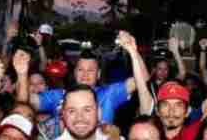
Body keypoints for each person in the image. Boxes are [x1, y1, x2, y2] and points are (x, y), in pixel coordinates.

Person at [21, 39, 152, 125]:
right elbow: (24, 101)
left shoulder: (110, 94)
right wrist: (21, 74)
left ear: (99, 74)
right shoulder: (58, 96)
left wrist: (133, 51)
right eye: (81, 70)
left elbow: (143, 79)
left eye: (90, 70)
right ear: (74, 72)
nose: (85, 75)